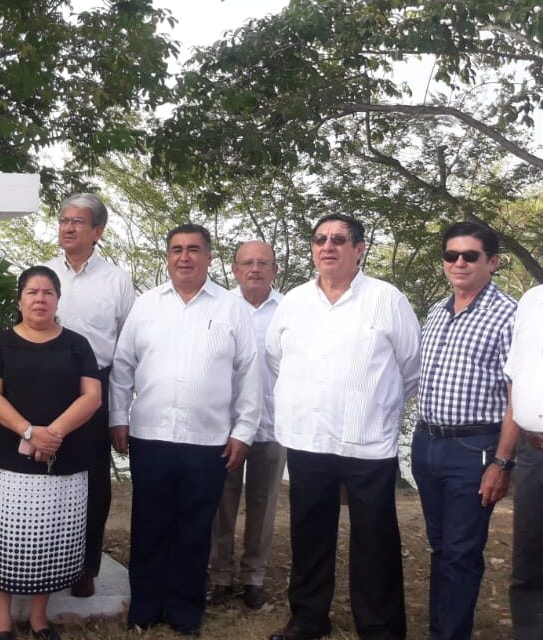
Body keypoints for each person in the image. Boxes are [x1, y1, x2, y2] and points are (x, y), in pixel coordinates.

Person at [266, 214, 420, 640]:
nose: (328, 246)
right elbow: (275, 359)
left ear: (359, 248)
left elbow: (411, 368)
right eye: (320, 240)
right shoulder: (294, 302)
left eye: (339, 239)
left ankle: (380, 627)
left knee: (375, 542)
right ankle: (308, 618)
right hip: (307, 439)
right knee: (309, 536)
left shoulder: (387, 300)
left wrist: (374, 403)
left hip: (367, 441)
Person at [111, 223, 262, 636]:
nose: (184, 257)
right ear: (167, 257)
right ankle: (144, 608)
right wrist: (118, 417)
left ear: (209, 258)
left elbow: (250, 373)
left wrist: (244, 430)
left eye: (194, 249)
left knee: (195, 530)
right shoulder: (147, 305)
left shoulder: (231, 309)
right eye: (176, 249)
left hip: (208, 439)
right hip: (151, 435)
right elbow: (123, 366)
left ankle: (184, 612)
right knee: (150, 526)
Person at [0, 265, 103, 640]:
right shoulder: (0, 343)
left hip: (64, 456)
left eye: (48, 293)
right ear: (20, 299)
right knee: (5, 536)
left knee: (50, 537)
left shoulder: (77, 344)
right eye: (32, 292)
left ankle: (38, 618)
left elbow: (92, 396)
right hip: (7, 457)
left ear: (58, 300)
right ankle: (1, 618)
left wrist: (52, 435)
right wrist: (29, 432)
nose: (40, 299)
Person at [412, 222, 518, 640]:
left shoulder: (509, 315)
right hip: (427, 443)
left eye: (470, 256)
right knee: (441, 548)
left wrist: (502, 461)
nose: (459, 262)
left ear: (491, 262)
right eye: (451, 255)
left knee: (460, 553)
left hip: (474, 449)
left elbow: (517, 395)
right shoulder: (437, 312)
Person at [43, 193, 135, 598]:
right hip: (44, 385)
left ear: (98, 231)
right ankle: (42, 559)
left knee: (93, 479)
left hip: (95, 385)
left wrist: (120, 414)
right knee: (43, 476)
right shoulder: (43, 274)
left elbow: (128, 350)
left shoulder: (117, 280)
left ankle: (85, 566)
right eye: (64, 219)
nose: (68, 227)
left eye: (78, 221)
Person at [207, 240, 285, 610]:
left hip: (273, 424)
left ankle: (253, 576)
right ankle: (219, 576)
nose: (255, 269)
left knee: (263, 503)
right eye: (247, 263)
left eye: (263, 263)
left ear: (274, 269)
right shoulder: (220, 308)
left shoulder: (290, 310)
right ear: (234, 269)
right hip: (224, 424)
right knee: (222, 503)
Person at [505, 282, 543, 637]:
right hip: (534, 450)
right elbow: (514, 377)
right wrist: (505, 456)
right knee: (530, 557)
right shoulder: (532, 299)